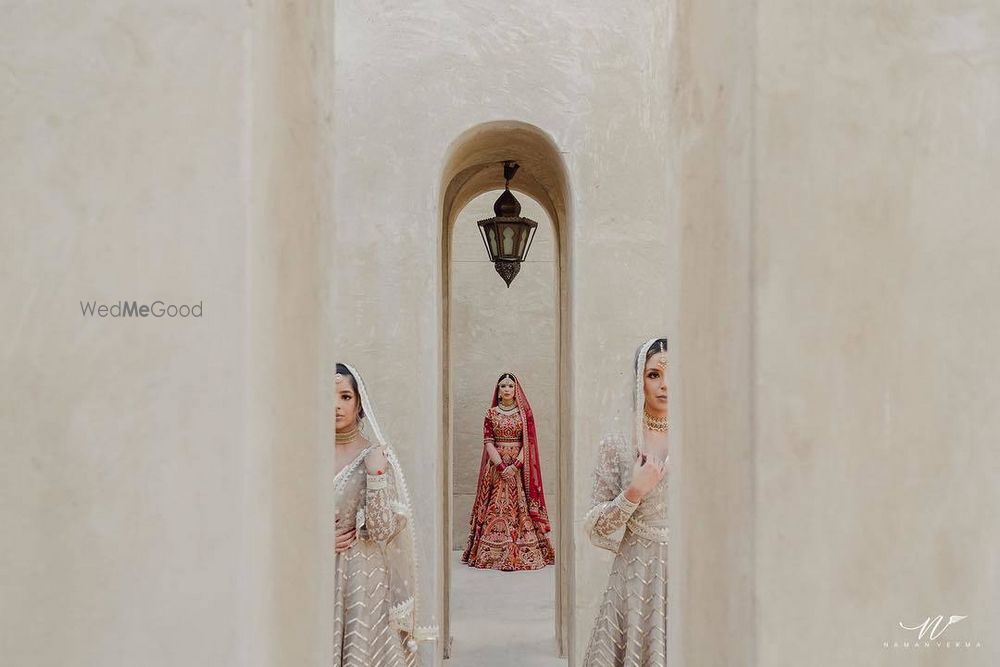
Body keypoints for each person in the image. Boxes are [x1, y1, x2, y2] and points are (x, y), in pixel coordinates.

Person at [333, 363, 434, 665]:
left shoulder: (374, 456)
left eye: (345, 397)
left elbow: (382, 530)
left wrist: (376, 474)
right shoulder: (301, 454)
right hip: (311, 574)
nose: (335, 406)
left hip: (362, 580)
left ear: (359, 404)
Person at [582, 338, 670, 666]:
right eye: (654, 374)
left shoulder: (697, 439)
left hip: (688, 575)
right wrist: (634, 491)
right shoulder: (618, 443)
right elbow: (595, 523)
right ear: (639, 379)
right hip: (635, 576)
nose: (665, 385)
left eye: (673, 373)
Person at [461, 372, 555, 571]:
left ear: (516, 389)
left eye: (510, 386)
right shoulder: (491, 413)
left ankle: (521, 552)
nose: (507, 389)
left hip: (518, 469)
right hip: (496, 469)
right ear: (498, 390)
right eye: (503, 386)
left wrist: (515, 467)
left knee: (519, 508)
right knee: (494, 507)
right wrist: (502, 466)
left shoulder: (523, 414)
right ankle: (491, 554)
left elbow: (527, 444)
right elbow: (488, 443)